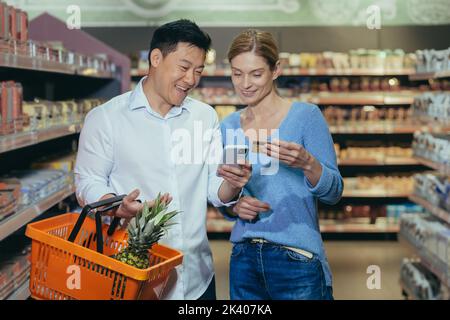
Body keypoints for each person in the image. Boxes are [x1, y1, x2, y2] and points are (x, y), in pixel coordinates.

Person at [74, 19, 251, 300]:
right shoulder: (106, 119)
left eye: (198, 70)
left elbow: (214, 187)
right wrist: (117, 204)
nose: (191, 79)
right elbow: (87, 181)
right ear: (156, 58)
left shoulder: (204, 117)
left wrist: (233, 183)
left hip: (197, 278)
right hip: (133, 278)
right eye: (183, 67)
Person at [219, 29, 343, 300]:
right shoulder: (227, 126)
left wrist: (308, 164)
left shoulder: (306, 117)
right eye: (237, 73)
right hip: (244, 259)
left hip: (297, 259)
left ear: (276, 70)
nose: (245, 84)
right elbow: (225, 199)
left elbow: (334, 192)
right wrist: (234, 206)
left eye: (256, 74)